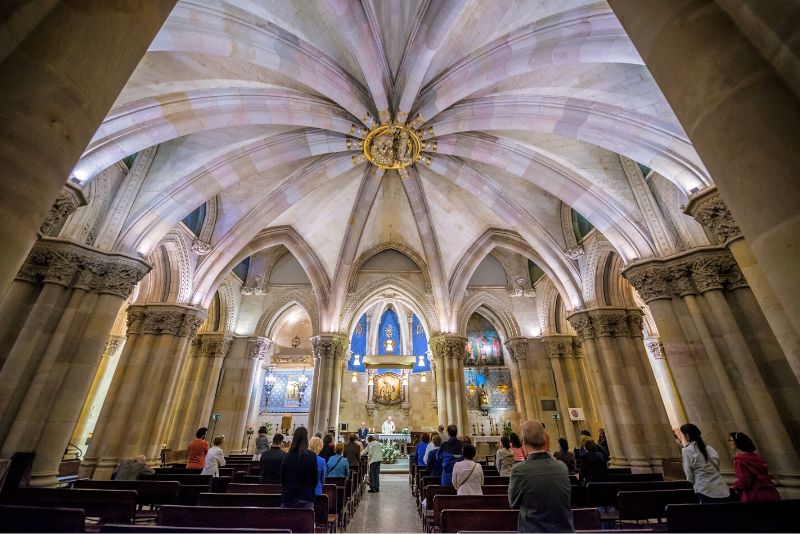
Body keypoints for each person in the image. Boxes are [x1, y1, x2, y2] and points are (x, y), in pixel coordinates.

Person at [508, 420, 573, 533]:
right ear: (544, 440)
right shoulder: (561, 467)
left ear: (523, 441)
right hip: (563, 529)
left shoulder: (520, 470)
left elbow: (513, 502)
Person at [680, 423, 733, 503]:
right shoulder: (708, 448)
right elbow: (716, 463)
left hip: (703, 487)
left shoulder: (687, 450)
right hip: (720, 486)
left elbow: (688, 471)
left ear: (687, 435)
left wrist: (692, 482)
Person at [729, 431, 780, 502]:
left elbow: (744, 481)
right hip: (770, 493)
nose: (729, 442)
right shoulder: (756, 457)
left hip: (754, 495)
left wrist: (735, 487)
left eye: (731, 440)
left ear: (737, 442)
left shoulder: (740, 460)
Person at [280, 427, 318, 509]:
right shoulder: (311, 456)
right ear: (306, 438)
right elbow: (314, 479)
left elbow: (283, 477)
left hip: (289, 496)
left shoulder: (287, 456)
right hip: (306, 496)